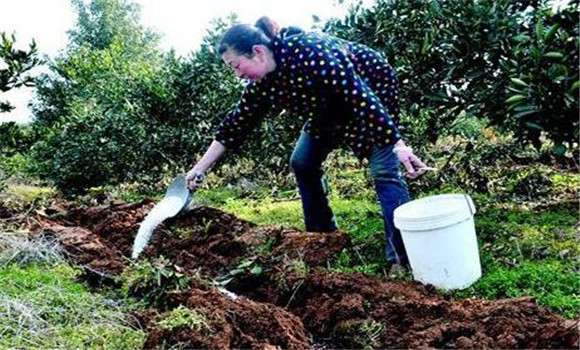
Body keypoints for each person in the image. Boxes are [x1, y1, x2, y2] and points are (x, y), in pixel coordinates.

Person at [186, 16, 427, 269]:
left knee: (385, 172)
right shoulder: (262, 85)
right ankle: (322, 239)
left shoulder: (311, 52)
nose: (237, 74)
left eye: (235, 66)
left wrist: (397, 144)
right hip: (328, 112)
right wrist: (199, 169)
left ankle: (401, 259)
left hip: (371, 97)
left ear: (257, 52)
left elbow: (360, 97)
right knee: (302, 162)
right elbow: (236, 124)